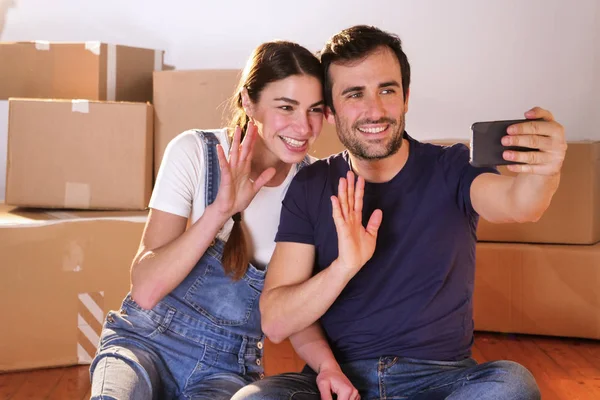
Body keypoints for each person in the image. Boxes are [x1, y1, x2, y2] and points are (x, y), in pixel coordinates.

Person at [233, 25, 566, 400]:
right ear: (330, 109)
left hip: (440, 381)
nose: (374, 110)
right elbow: (276, 321)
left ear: (406, 97)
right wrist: (345, 266)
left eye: (387, 90)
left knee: (511, 385)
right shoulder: (312, 183)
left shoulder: (451, 166)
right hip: (337, 383)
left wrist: (545, 171)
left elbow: (520, 204)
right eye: (354, 94)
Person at [89, 40, 326, 400]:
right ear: (249, 101)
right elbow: (146, 289)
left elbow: (290, 313)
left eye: (315, 110)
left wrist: (328, 367)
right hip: (143, 342)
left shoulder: (310, 189)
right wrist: (220, 212)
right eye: (286, 107)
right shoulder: (194, 153)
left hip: (226, 366)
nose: (303, 126)